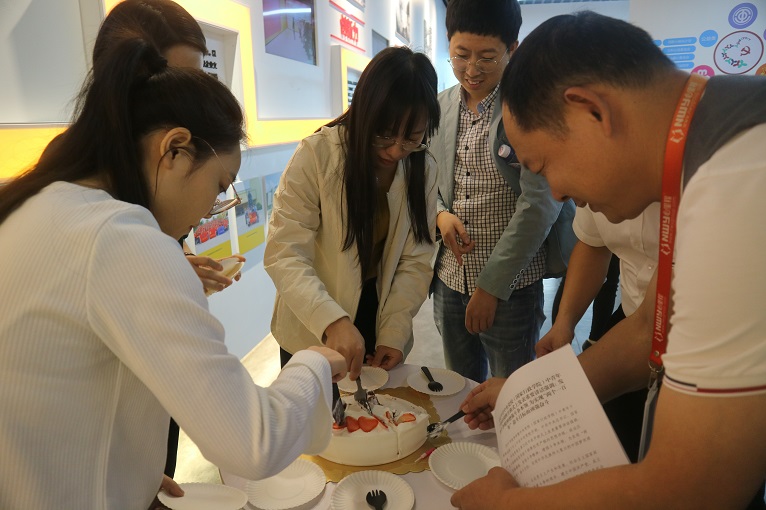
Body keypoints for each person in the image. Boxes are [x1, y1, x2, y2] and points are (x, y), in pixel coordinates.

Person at [0, 33, 346, 510]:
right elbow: (253, 440)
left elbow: (45, 390)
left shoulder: (39, 202)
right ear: (176, 149)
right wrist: (315, 364)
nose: (210, 211)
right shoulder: (123, 240)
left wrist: (125, 463)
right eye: (219, 186)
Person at [451, 11, 766, 510]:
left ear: (591, 111)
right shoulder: (710, 143)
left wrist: (506, 504)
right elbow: (647, 331)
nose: (556, 192)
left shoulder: (738, 179)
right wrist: (529, 394)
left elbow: (695, 486)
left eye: (543, 165)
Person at [87, 0, 243, 485]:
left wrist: (178, 261)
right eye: (171, 80)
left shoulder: (140, 197)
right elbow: (246, 436)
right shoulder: (108, 228)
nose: (189, 99)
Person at [264, 46, 439, 380]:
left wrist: (395, 331)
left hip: (378, 312)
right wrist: (331, 320)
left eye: (411, 138)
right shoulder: (318, 155)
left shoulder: (422, 167)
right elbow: (284, 252)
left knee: (374, 410)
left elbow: (415, 260)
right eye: (384, 134)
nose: (395, 150)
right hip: (313, 316)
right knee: (316, 409)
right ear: (363, 112)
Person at [430, 0, 565, 382]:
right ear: (448, 42)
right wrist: (440, 214)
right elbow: (426, 178)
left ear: (512, 49)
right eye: (461, 55)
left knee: (512, 391)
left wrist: (491, 286)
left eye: (487, 57)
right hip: (449, 278)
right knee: (458, 387)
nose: (472, 69)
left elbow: (540, 203)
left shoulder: (527, 109)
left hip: (511, 287)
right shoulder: (440, 106)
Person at [537, 205, 659, 462]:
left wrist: (538, 396)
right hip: (631, 318)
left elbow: (645, 334)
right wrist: (564, 323)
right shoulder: (592, 194)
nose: (557, 197)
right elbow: (593, 243)